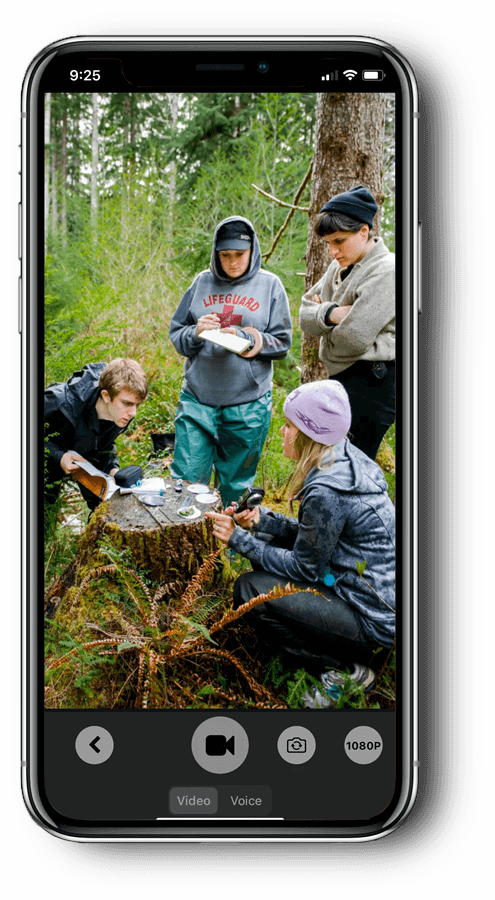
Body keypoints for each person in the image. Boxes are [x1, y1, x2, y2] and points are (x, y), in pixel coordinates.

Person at [207, 379, 395, 709]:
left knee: (251, 591)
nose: (282, 431)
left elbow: (306, 567)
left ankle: (346, 670)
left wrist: (238, 540)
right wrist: (263, 522)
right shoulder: (343, 459)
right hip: (362, 592)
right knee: (267, 538)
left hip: (371, 619)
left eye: (289, 425)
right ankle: (323, 650)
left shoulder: (327, 490)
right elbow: (319, 536)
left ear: (310, 434)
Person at [169, 216, 292, 507]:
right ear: (216, 253)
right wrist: (197, 331)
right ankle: (192, 548)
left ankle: (231, 549)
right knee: (186, 482)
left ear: (252, 251)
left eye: (239, 255)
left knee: (236, 487)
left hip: (248, 403)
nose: (233, 262)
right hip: (199, 399)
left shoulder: (270, 286)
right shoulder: (201, 282)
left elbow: (283, 342)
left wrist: (251, 339)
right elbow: (178, 335)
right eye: (225, 256)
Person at [299, 185, 395, 461]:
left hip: (374, 382)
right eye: (328, 243)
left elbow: (353, 338)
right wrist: (332, 314)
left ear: (364, 231)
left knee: (353, 463)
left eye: (339, 241)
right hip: (345, 378)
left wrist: (325, 332)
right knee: (335, 460)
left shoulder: (387, 270)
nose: (332, 251)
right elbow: (306, 317)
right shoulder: (338, 266)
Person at [44, 357, 148, 511]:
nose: (133, 412)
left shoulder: (119, 414)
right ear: (106, 396)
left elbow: (102, 445)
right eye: (127, 403)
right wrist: (58, 456)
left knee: (105, 508)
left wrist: (113, 470)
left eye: (137, 405)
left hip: (77, 462)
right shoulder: (59, 403)